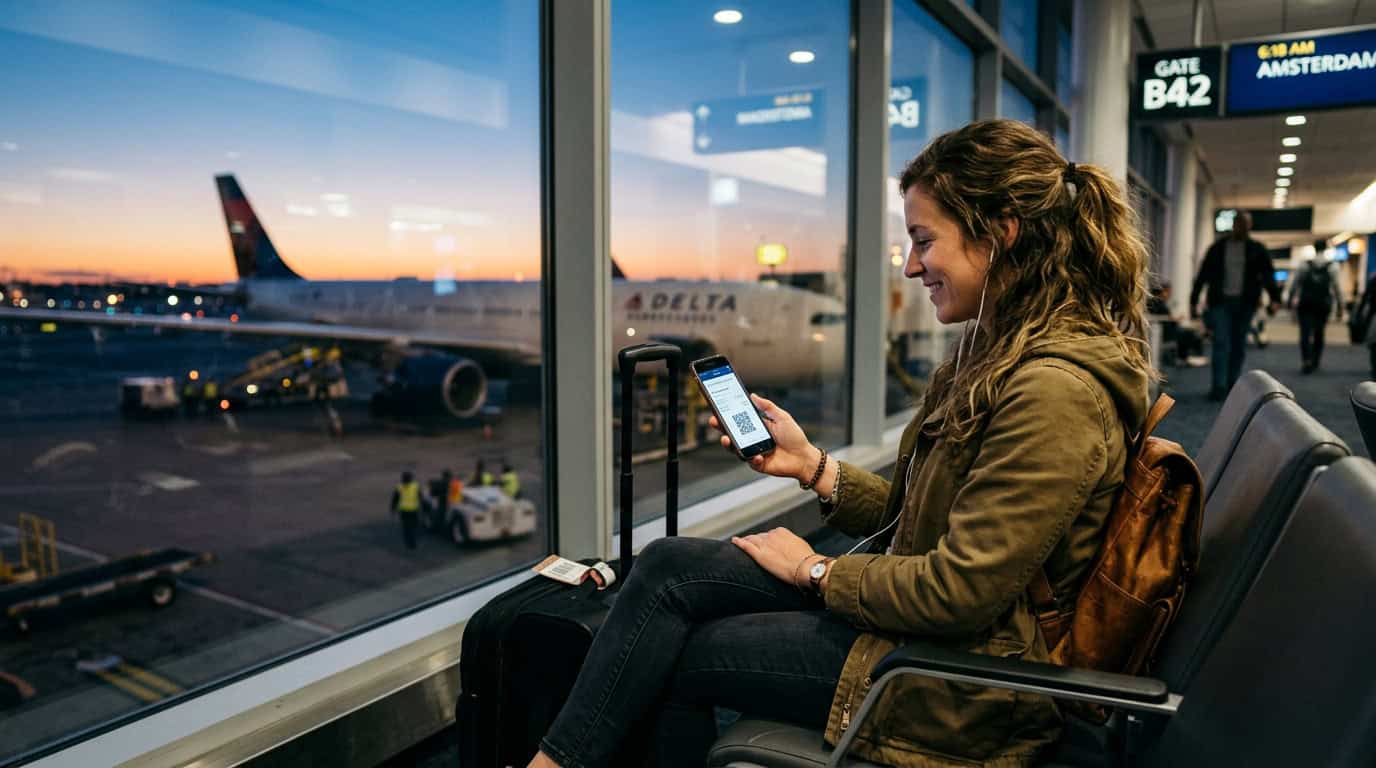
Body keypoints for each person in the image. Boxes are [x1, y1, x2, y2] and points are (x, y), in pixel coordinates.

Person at [528, 120, 1152, 768]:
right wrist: (816, 469)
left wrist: (814, 570)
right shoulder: (1001, 356)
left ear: (1001, 234)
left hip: (954, 682)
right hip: (929, 635)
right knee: (666, 567)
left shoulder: (1054, 392)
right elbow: (927, 525)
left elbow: (959, 591)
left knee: (676, 652)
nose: (910, 268)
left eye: (922, 241)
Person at [1189, 211, 1282, 400]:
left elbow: (1267, 275)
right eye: (1239, 223)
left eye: (1246, 224)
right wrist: (1193, 299)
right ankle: (1219, 386)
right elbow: (1203, 274)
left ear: (1250, 226)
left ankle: (1232, 384)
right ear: (1234, 225)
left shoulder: (1257, 249)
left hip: (1245, 303)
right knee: (1221, 342)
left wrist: (1275, 299)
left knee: (1238, 345)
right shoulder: (1217, 248)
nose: (1242, 227)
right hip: (1220, 302)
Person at [1288, 240, 1344, 374]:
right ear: (1325, 248)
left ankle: (1306, 360)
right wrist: (1340, 306)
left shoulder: (1305, 265)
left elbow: (1295, 284)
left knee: (1305, 332)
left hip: (1306, 303)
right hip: (1322, 304)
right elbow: (1337, 288)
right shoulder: (1333, 266)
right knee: (1319, 332)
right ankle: (1316, 359)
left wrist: (1290, 300)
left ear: (1314, 248)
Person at [1147, 282, 1205, 366]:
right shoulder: (1157, 302)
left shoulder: (1157, 302)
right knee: (1189, 333)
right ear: (1163, 291)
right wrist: (1176, 319)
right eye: (1168, 292)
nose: (1169, 295)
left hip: (1167, 328)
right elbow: (1163, 317)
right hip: (1165, 330)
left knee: (1187, 332)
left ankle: (1185, 356)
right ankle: (1186, 357)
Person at [391, 470, 421, 550]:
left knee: (406, 526)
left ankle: (408, 541)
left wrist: (393, 509)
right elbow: (420, 497)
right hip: (414, 509)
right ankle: (412, 542)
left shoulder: (399, 487)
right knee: (413, 526)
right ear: (411, 479)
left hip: (404, 510)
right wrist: (422, 508)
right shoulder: (415, 486)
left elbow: (395, 499)